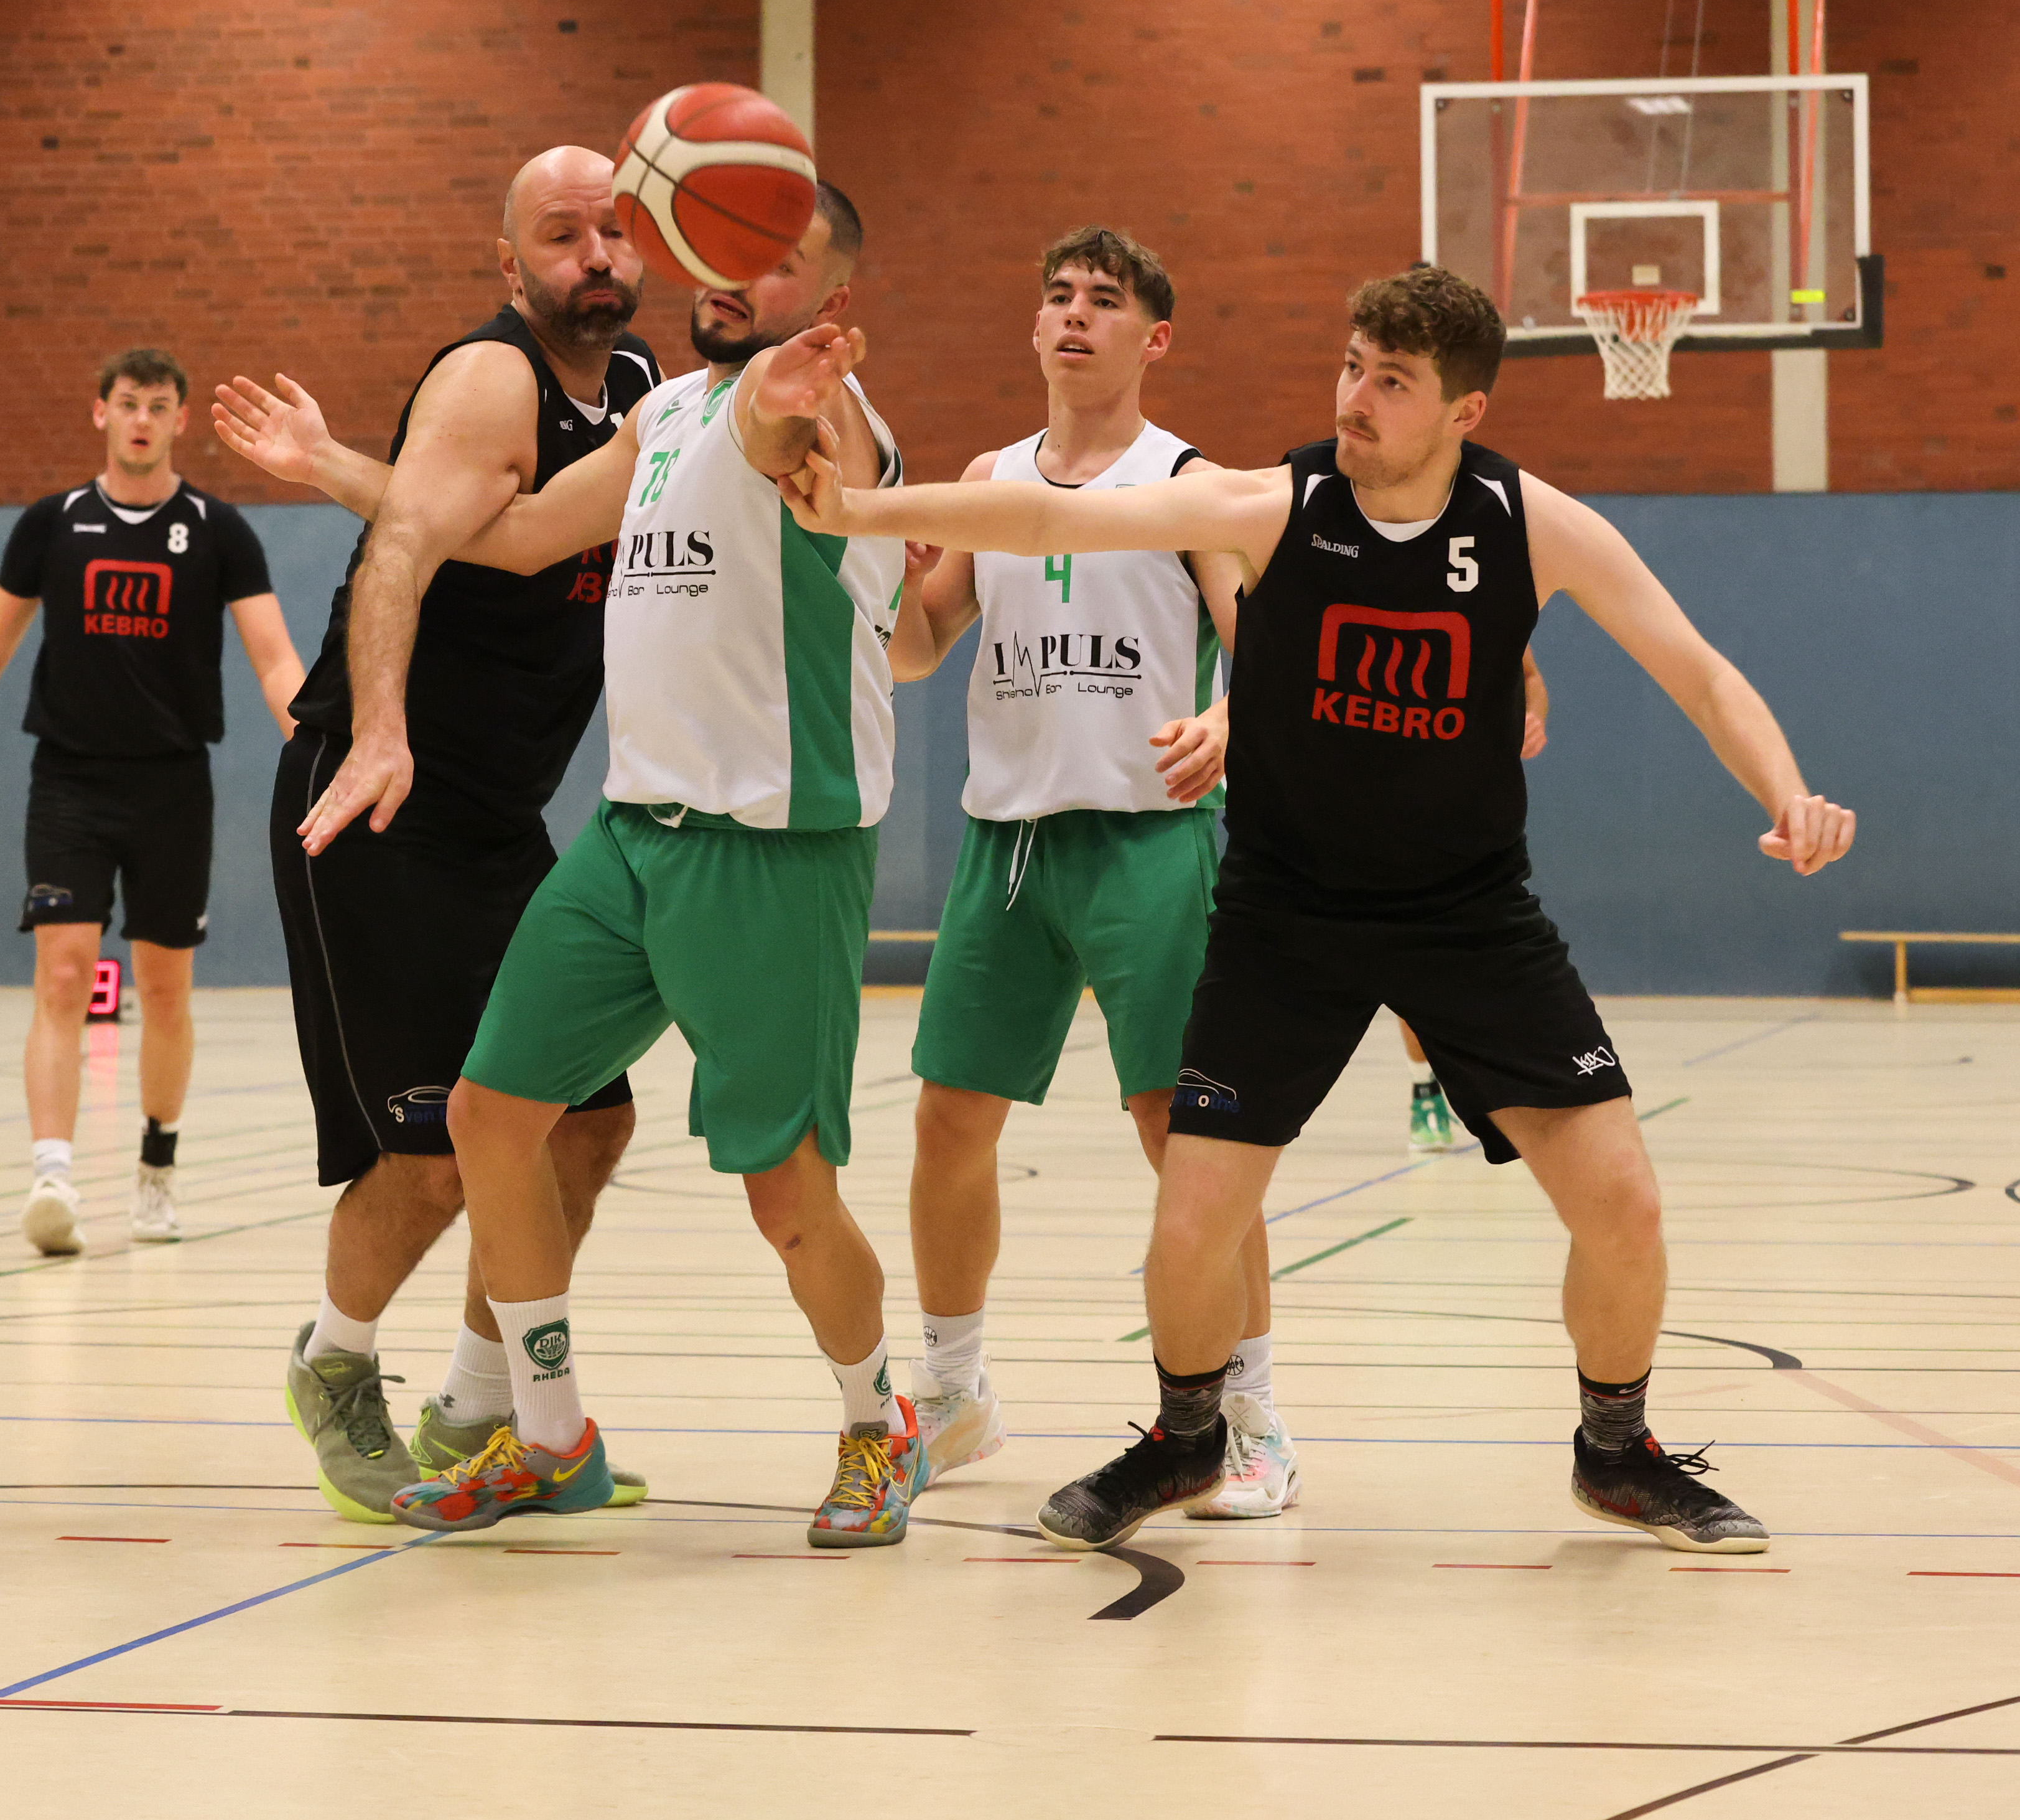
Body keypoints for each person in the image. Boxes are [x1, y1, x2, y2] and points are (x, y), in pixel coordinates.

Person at [774, 264, 1855, 1556]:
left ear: (1464, 410)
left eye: (1392, 381)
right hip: (1287, 914)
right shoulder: (1276, 505)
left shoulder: (1532, 523)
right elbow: (1049, 517)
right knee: (1194, 1213)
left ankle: (1616, 1452)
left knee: (1623, 1201)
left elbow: (1700, 671)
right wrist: (861, 509)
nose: (1356, 398)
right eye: (1351, 366)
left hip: (1470, 915)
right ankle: (1188, 1437)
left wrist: (1789, 792)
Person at [252, 185, 924, 1549]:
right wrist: (333, 466)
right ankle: (548, 1436)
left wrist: (796, 391)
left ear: (831, 302)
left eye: (773, 258)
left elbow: (785, 427)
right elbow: (508, 535)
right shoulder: (661, 412)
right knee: (492, 1117)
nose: (731, 270)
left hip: (775, 849)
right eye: (722, 244)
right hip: (630, 836)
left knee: (787, 1195)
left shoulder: (818, 407)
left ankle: (879, 1422)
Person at [212, 145, 657, 1524]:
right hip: (380, 798)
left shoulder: (640, 390)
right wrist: (382, 727)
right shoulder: (489, 377)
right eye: (564, 234)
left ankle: (477, 1407)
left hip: (502, 816)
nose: (597, 254)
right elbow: (404, 552)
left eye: (615, 229)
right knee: (433, 1150)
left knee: (581, 1125)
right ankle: (335, 1365)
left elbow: (504, 533)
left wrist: (334, 461)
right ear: (511, 263)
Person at [882, 226, 1298, 1513]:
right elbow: (917, 648)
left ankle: (1249, 1413)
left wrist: (1224, 721)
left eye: (1104, 301)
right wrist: (880, 585)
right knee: (950, 1120)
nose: (1074, 315)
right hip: (1008, 845)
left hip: (1145, 840)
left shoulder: (1190, 483)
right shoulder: (989, 479)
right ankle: (956, 1391)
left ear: (1152, 337)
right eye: (1057, 295)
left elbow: (1265, 650)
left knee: (1190, 1136)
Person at [0, 348, 303, 1254]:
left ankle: (156, 1170)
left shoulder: (219, 530)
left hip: (172, 786)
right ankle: (52, 1176)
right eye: (128, 403)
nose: (142, 419)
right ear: (100, 413)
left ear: (180, 418)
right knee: (64, 974)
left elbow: (274, 658)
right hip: (69, 782)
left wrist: (319, 753)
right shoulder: (52, 524)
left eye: (159, 405)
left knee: (165, 989)